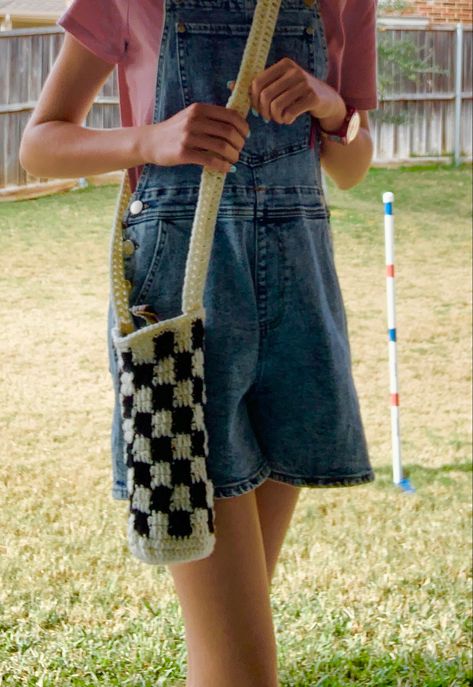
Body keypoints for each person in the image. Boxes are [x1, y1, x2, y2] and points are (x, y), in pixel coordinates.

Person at [19, 0, 378, 685]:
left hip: (300, 295)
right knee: (240, 663)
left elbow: (352, 166)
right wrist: (150, 140)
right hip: (183, 306)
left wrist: (331, 106)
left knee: (226, 642)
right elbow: (39, 144)